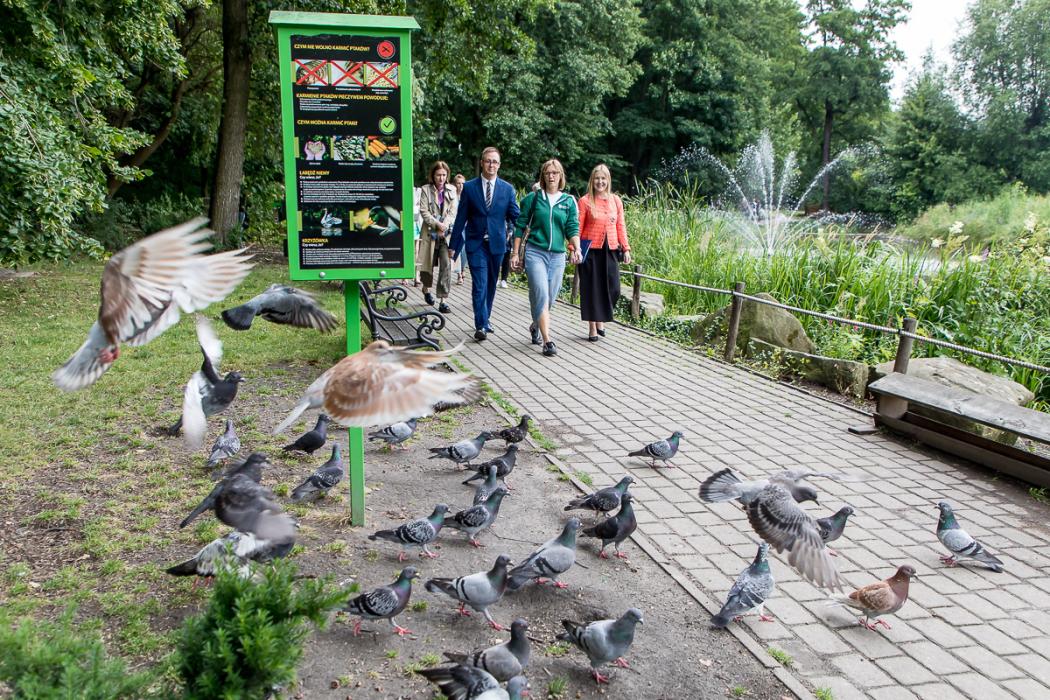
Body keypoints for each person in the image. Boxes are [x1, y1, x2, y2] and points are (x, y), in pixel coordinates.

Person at [509, 158, 581, 357]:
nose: (551, 176)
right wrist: (515, 253)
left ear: (560, 176)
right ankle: (547, 340)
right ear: (543, 176)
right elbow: (520, 226)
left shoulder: (568, 201)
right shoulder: (533, 199)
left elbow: (572, 227)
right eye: (548, 173)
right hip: (535, 252)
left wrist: (577, 248)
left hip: (558, 255)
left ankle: (535, 326)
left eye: (555, 173)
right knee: (540, 292)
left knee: (550, 297)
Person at [450, 148, 520, 341]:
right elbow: (460, 218)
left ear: (499, 165)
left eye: (495, 162)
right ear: (482, 163)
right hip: (476, 244)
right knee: (480, 284)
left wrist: (531, 226)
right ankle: (480, 324)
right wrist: (453, 245)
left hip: (497, 245)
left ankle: (486, 319)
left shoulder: (507, 189)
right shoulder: (470, 188)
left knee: (490, 285)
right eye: (488, 161)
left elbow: (515, 216)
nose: (491, 165)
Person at [577, 164, 631, 341]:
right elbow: (577, 227)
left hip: (611, 249)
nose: (600, 182)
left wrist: (626, 247)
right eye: (597, 178)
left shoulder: (616, 200)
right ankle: (593, 326)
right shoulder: (585, 201)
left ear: (608, 180)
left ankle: (601, 318)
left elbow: (620, 225)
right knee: (592, 288)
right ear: (592, 181)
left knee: (614, 287)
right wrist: (573, 249)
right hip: (590, 249)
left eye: (603, 178)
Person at [418, 161, 458, 314]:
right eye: (438, 175)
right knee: (427, 266)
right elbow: (424, 211)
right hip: (430, 233)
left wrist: (444, 226)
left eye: (443, 175)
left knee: (446, 265)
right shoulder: (425, 190)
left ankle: (443, 300)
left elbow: (453, 212)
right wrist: (437, 224)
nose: (441, 178)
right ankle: (426, 288)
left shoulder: (452, 190)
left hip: (446, 236)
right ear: (433, 175)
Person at [451, 173, 466, 285]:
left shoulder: (467, 196)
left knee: (464, 251)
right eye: (458, 183)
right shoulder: (452, 196)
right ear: (454, 184)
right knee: (458, 250)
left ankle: (462, 269)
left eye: (462, 183)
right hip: (454, 226)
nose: (460, 186)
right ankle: (459, 274)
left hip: (466, 226)